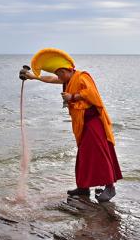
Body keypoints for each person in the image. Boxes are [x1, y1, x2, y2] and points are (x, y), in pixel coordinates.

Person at [20, 48, 122, 202]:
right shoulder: (67, 79)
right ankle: (83, 187)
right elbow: (51, 79)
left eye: (60, 74)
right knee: (83, 155)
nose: (59, 77)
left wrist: (72, 96)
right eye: (58, 75)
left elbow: (92, 94)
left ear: (67, 70)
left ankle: (110, 187)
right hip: (82, 123)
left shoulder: (82, 76)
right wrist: (32, 77)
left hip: (94, 121)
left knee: (100, 153)